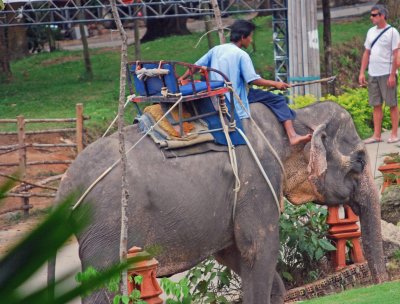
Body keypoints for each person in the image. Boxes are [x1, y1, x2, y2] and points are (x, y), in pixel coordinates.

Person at [179, 19, 311, 146]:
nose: (251, 40)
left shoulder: (217, 49)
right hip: (235, 95)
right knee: (278, 100)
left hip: (218, 94)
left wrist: (182, 78)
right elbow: (253, 80)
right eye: (250, 37)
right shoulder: (241, 55)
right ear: (243, 37)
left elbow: (195, 66)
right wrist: (275, 84)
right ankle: (293, 136)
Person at [359, 4, 399, 144]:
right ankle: (377, 135)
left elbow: (396, 55)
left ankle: (394, 134)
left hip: (387, 73)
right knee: (376, 104)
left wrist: (392, 74)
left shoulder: (392, 32)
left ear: (382, 16)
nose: (372, 17)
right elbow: (366, 52)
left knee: (391, 104)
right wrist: (362, 72)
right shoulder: (370, 32)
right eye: (371, 15)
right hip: (373, 73)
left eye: (374, 15)